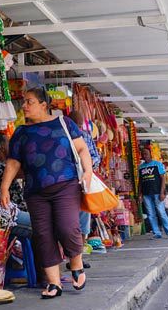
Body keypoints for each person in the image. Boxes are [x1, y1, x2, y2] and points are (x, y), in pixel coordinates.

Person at [0, 87, 94, 299]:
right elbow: (14, 162)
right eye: (24, 102)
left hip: (66, 185)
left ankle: (76, 264)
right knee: (43, 235)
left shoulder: (64, 123)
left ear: (44, 105)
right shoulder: (21, 133)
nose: (24, 106)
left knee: (67, 226)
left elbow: (81, 149)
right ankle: (54, 282)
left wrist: (88, 171)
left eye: (29, 101)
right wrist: (4, 187)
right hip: (35, 191)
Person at [0, 133, 31, 239]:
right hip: (7, 216)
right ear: (2, 147)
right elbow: (25, 171)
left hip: (13, 213)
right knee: (42, 225)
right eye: (9, 143)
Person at [69, 110, 100, 268]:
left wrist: (85, 167)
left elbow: (94, 158)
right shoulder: (82, 135)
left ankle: (76, 259)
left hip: (75, 185)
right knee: (79, 222)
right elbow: (96, 158)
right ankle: (76, 259)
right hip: (76, 185)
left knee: (79, 222)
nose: (79, 128)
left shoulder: (83, 136)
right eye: (78, 124)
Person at [139, 149, 168, 239]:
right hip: (146, 193)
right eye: (143, 154)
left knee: (161, 212)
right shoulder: (141, 167)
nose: (144, 155)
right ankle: (156, 233)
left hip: (157, 193)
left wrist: (162, 192)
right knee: (151, 214)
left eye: (146, 154)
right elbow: (140, 181)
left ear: (150, 154)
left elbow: (162, 178)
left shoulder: (157, 164)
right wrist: (140, 194)